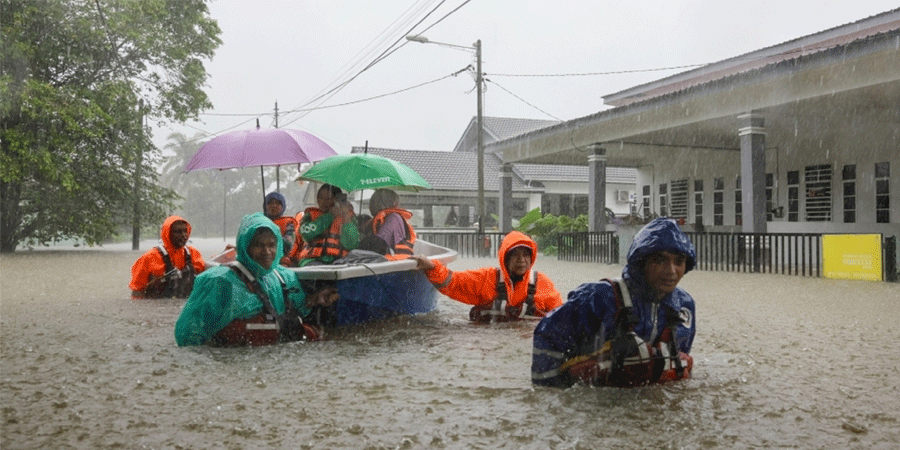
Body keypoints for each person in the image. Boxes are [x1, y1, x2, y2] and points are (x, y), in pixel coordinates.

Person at [531, 217, 697, 388]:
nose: (671, 271)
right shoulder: (600, 297)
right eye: (659, 260)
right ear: (641, 262)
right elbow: (547, 335)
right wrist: (550, 390)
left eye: (679, 261)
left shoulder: (684, 307)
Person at [174, 212, 339, 347]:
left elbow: (300, 309)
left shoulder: (283, 276)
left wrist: (315, 299)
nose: (267, 251)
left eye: (272, 244)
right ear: (245, 247)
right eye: (258, 245)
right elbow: (187, 334)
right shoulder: (220, 282)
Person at [412, 231, 563, 322]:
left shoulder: (542, 284)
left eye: (525, 255)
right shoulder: (486, 279)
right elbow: (454, 282)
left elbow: (563, 315)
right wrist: (432, 266)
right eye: (515, 255)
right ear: (505, 258)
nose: (521, 260)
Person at [130, 215, 205, 299]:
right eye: (178, 232)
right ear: (167, 233)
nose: (184, 235)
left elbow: (204, 281)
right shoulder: (149, 258)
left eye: (185, 231)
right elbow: (137, 292)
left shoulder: (193, 254)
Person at [293, 184, 359, 266]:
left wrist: (346, 219)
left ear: (336, 200)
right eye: (320, 198)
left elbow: (350, 244)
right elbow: (307, 235)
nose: (323, 201)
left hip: (340, 260)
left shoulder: (347, 217)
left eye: (328, 198)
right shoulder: (309, 216)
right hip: (311, 260)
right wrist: (329, 216)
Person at [360, 188, 416, 258]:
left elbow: (378, 244)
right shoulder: (379, 220)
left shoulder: (394, 218)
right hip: (383, 261)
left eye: (372, 203)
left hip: (396, 264)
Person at [263, 191, 297, 266]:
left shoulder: (289, 224)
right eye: (270, 203)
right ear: (265, 206)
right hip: (262, 259)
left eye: (278, 203)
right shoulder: (260, 222)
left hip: (282, 260)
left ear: (283, 207)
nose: (274, 206)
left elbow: (288, 244)